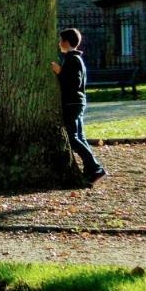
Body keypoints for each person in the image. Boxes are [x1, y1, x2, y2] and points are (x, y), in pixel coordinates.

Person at [51, 27, 107, 183]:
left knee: (73, 137)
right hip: (77, 101)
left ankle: (95, 168)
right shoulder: (75, 59)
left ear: (66, 42)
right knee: (80, 137)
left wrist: (59, 72)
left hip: (72, 102)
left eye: (60, 41)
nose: (58, 44)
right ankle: (91, 170)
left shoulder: (72, 60)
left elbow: (74, 82)